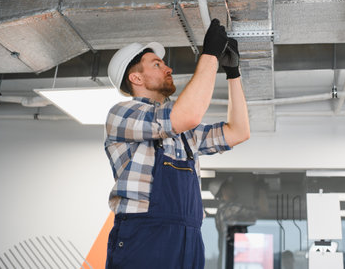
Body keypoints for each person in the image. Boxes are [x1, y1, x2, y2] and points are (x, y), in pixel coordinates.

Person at [104, 18, 250, 269]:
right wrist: (210, 56)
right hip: (145, 236)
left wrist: (233, 74)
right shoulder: (123, 114)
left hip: (190, 237)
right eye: (157, 64)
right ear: (136, 78)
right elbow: (185, 115)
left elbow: (238, 131)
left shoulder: (185, 133)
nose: (168, 69)